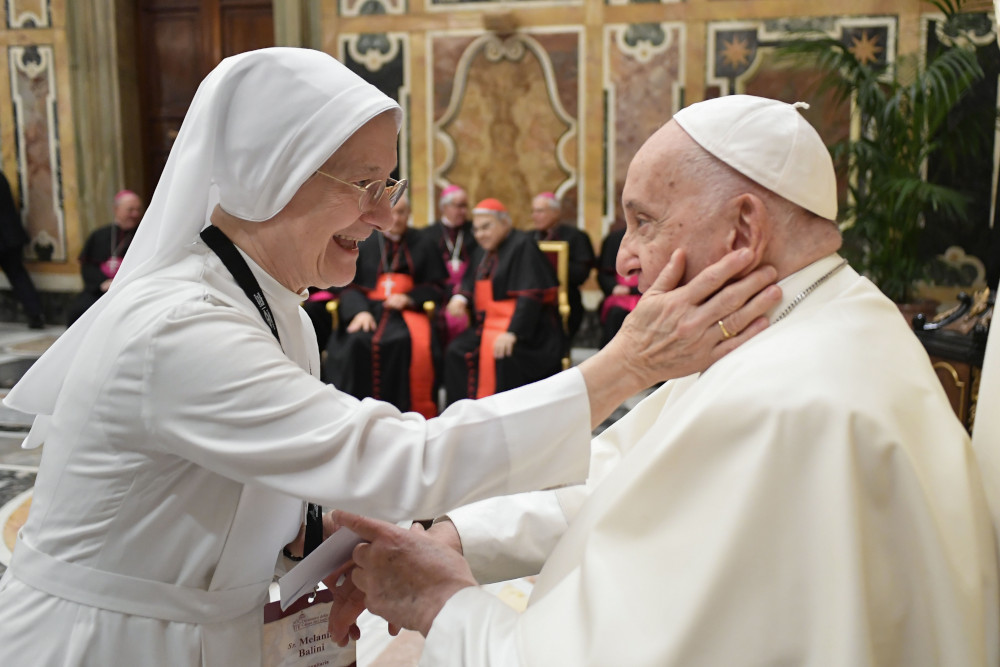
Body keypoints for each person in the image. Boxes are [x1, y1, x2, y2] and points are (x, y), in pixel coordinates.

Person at [0, 51, 780, 667]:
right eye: (365, 184)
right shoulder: (179, 327)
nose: (383, 215)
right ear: (271, 175)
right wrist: (628, 364)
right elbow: (392, 457)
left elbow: (260, 478)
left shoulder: (273, 305)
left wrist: (320, 543)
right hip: (104, 642)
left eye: (390, 181)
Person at [328, 95, 1000, 666]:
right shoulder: (812, 318)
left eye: (644, 221)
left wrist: (439, 602)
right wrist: (459, 536)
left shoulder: (783, 400)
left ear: (743, 231)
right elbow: (621, 471)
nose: (623, 258)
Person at [324, 194, 448, 418]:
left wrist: (410, 297)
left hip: (406, 315)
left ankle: (401, 413)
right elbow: (347, 285)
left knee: (403, 343)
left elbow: (438, 287)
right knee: (355, 342)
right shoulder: (364, 241)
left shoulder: (424, 243)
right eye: (392, 211)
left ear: (409, 215)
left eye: (401, 212)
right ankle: (351, 415)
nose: (396, 218)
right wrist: (359, 311)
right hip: (369, 310)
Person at [443, 198, 564, 405]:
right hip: (487, 326)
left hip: (529, 330)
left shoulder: (523, 245)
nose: (481, 234)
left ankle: (506, 419)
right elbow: (470, 281)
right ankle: (463, 417)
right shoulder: (483, 250)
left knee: (506, 355)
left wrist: (513, 332)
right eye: (477, 229)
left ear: (505, 223)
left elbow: (530, 296)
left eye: (486, 227)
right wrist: (461, 298)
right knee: (456, 351)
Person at [66, 189, 143, 325]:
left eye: (138, 210)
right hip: (100, 289)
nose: (135, 214)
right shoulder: (99, 235)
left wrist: (119, 283)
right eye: (130, 210)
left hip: (130, 289)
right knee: (78, 311)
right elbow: (88, 267)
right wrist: (103, 283)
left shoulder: (144, 235)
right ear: (116, 209)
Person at [530, 191, 595, 342]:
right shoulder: (527, 238)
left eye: (540, 211)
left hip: (565, 298)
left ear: (556, 212)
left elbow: (581, 273)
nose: (534, 216)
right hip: (532, 300)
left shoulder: (576, 237)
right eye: (533, 211)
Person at [423, 184, 478, 342]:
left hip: (469, 290)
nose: (463, 211)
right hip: (439, 293)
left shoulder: (474, 231)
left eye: (465, 206)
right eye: (459, 206)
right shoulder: (428, 234)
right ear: (444, 207)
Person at [0, 169, 45, 328]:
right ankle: (36, 314)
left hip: (6, 237)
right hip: (11, 236)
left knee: (17, 274)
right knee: (18, 275)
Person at [596, 225, 639, 348]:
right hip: (620, 295)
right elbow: (604, 273)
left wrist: (634, 289)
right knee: (615, 314)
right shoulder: (614, 239)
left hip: (648, 293)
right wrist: (615, 287)